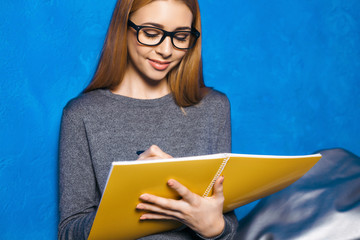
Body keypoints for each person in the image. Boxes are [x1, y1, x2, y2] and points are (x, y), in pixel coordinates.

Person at [58, 0, 238, 239]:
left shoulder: (214, 107)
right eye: (151, 33)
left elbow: (228, 223)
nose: (166, 50)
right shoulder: (82, 114)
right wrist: (130, 192)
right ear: (123, 27)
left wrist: (216, 228)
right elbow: (69, 232)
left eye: (181, 36)